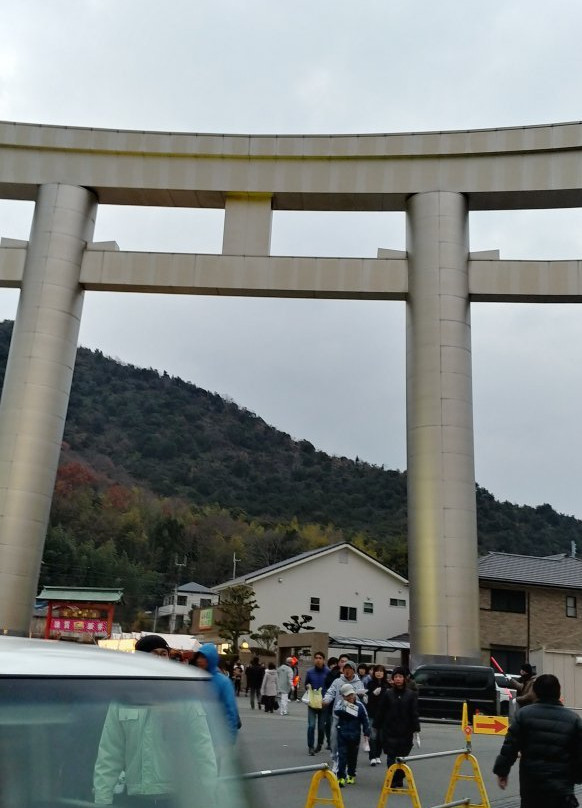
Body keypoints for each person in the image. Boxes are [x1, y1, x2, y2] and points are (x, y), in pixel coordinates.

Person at [93, 634, 218, 806]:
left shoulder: (184, 698)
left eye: (163, 653)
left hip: (176, 797)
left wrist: (209, 795)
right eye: (154, 653)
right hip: (135, 797)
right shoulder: (124, 699)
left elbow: (203, 749)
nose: (160, 658)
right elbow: (109, 754)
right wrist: (102, 800)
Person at [493, 674, 582, 808]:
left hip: (532, 785)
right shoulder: (573, 720)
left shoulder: (524, 715)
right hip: (561, 788)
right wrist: (577, 777)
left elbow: (510, 747)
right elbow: (579, 754)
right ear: (558, 692)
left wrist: (502, 771)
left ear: (535, 692)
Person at [374, 666, 420, 788]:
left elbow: (414, 713)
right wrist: (376, 726)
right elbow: (381, 711)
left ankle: (399, 777)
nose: (398, 679)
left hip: (406, 731)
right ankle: (392, 778)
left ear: (404, 679)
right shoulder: (388, 694)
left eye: (400, 677)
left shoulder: (411, 695)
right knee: (390, 756)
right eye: (396, 677)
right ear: (392, 679)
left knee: (402, 756)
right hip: (390, 730)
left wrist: (416, 729)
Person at [189, 643, 240, 741]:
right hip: (199, 735)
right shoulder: (195, 679)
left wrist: (230, 738)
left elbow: (230, 711)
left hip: (218, 736)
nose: (199, 660)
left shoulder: (223, 682)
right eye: (198, 657)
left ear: (211, 658)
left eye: (204, 657)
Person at [323, 660, 366, 773]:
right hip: (338, 717)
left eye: (350, 669)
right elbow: (330, 692)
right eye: (345, 668)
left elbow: (364, 700)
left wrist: (362, 696)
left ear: (353, 670)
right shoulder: (337, 681)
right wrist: (326, 700)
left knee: (350, 745)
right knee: (334, 740)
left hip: (352, 720)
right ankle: (336, 761)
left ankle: (348, 765)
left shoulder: (358, 683)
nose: (347, 671)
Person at [334, 683, 370, 787]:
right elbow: (337, 711)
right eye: (347, 695)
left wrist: (366, 732)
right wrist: (349, 708)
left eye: (351, 695)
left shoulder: (360, 705)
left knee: (352, 757)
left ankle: (351, 774)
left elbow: (365, 719)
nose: (349, 697)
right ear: (343, 696)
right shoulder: (340, 704)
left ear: (354, 694)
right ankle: (341, 777)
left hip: (355, 735)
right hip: (342, 734)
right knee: (342, 756)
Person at [304, 651, 329, 755]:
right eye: (316, 658)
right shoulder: (310, 672)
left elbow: (331, 687)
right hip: (312, 703)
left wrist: (327, 700)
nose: (318, 660)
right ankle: (310, 746)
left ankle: (319, 744)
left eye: (320, 658)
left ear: (323, 660)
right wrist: (307, 686)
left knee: (321, 727)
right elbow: (306, 684)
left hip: (323, 703)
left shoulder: (328, 672)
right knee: (311, 725)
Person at [365, 664, 390, 765]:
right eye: (377, 671)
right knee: (373, 736)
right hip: (372, 713)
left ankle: (378, 755)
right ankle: (372, 757)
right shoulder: (370, 684)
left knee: (380, 736)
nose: (379, 673)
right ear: (374, 672)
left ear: (384, 673)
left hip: (383, 714)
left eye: (381, 671)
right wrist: (372, 694)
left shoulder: (387, 685)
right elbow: (367, 699)